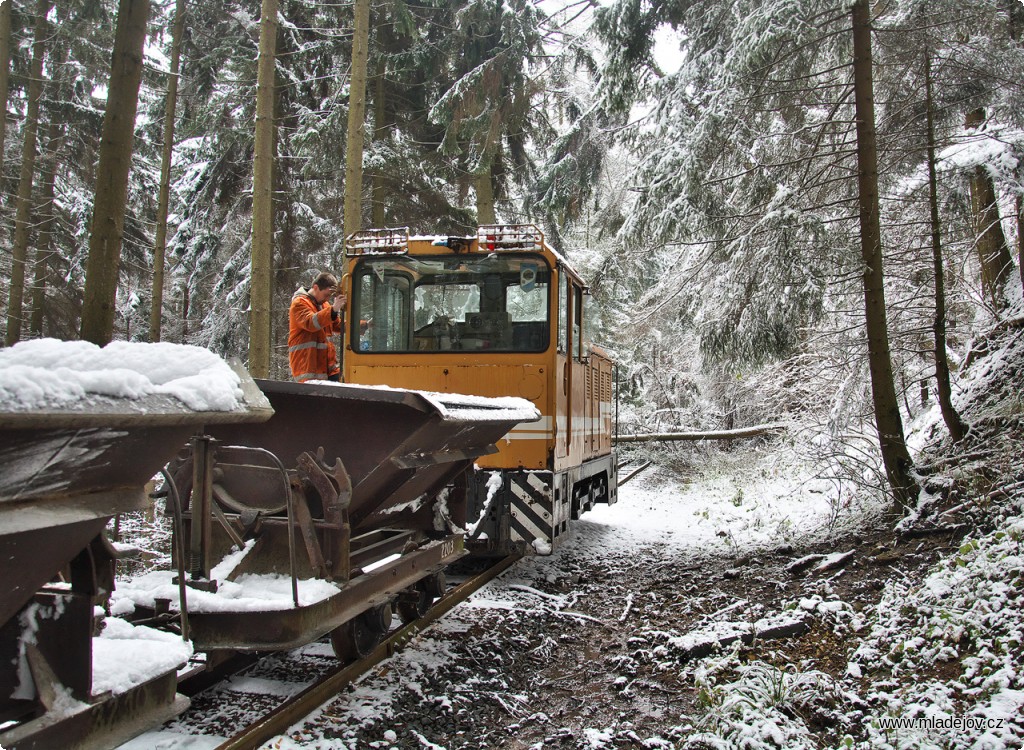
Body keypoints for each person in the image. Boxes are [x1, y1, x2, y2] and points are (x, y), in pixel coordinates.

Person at [288, 272, 346, 382]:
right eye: (326, 295)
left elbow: (338, 325)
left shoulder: (325, 305)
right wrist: (333, 309)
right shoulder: (299, 303)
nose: (327, 299)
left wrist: (364, 325)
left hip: (327, 368)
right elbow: (311, 322)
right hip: (308, 368)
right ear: (316, 287)